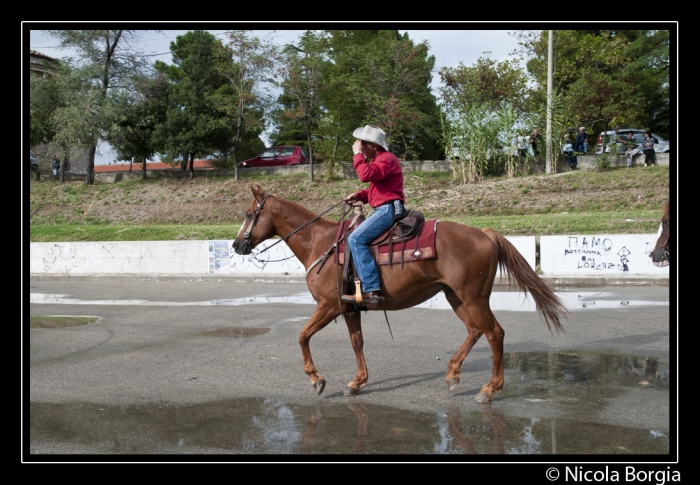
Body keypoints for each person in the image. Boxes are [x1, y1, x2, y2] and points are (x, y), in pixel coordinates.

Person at [341, 124, 405, 305]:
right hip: (386, 207)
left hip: (388, 210)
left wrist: (357, 155)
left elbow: (365, 175)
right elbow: (379, 189)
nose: (359, 145)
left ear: (373, 145)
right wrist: (359, 195)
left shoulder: (386, 159)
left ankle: (371, 290)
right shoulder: (381, 159)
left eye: (363, 143)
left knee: (355, 239)